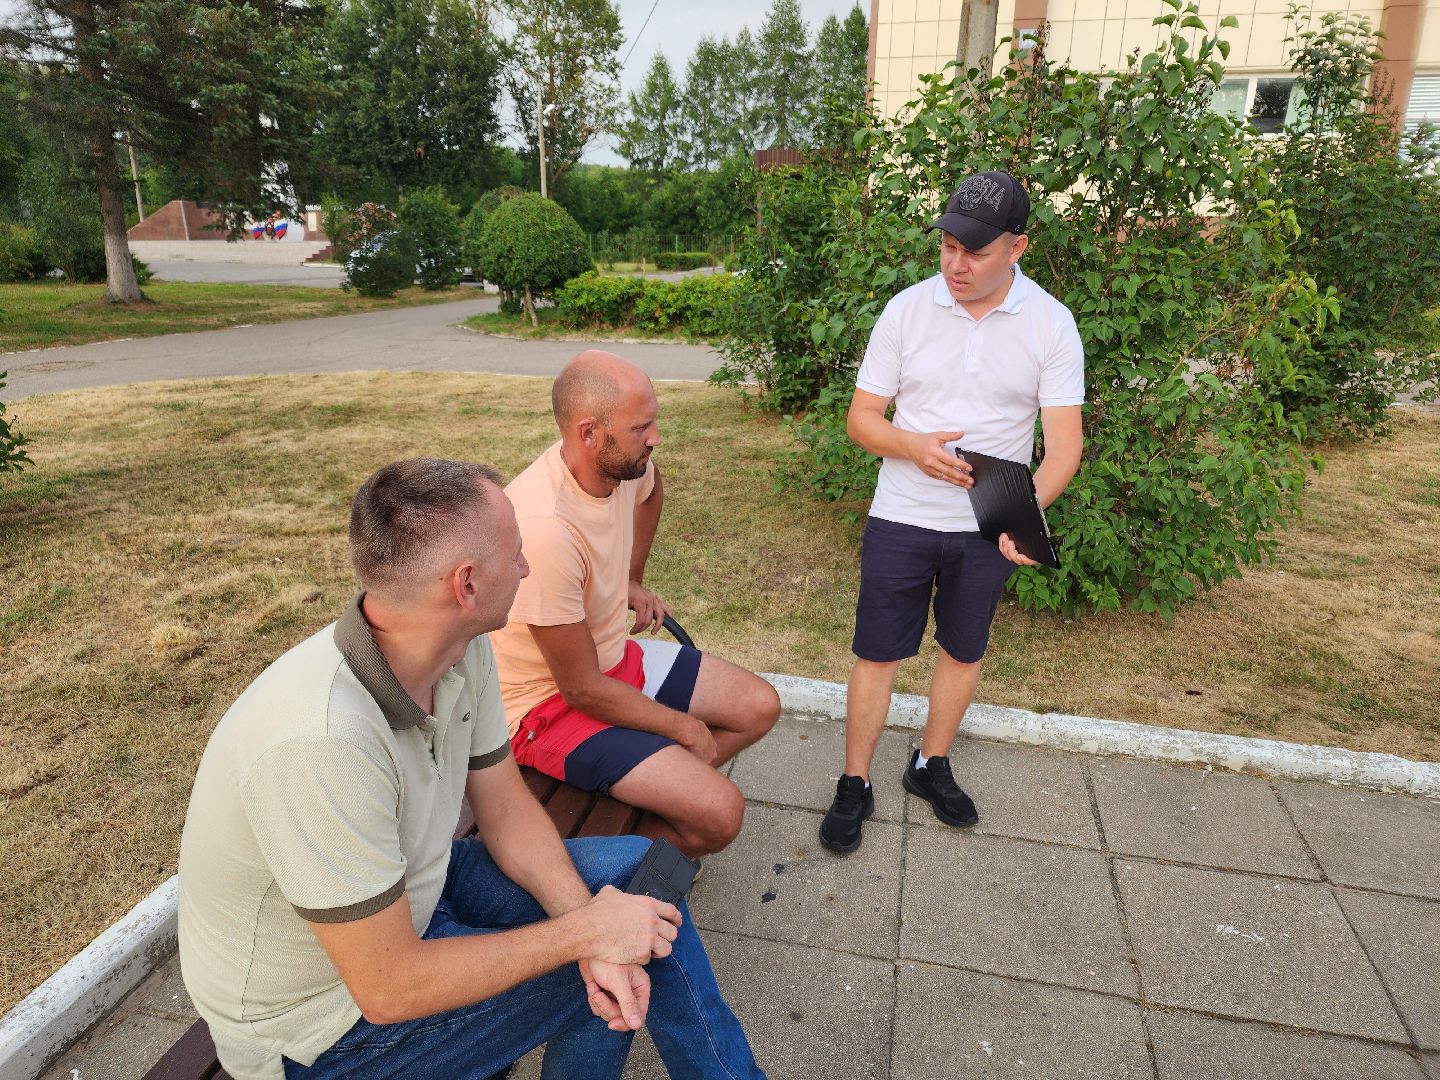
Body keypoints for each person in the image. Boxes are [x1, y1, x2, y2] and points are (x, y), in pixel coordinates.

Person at [176, 458, 766, 1080]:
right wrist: (585, 936)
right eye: (515, 554)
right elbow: (389, 989)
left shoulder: (459, 647)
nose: (526, 567)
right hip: (320, 1028)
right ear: (466, 585)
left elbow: (506, 809)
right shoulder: (321, 743)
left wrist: (590, 923)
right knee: (618, 952)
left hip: (413, 891)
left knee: (641, 891)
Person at [819, 170, 1085, 854]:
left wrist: (1024, 515)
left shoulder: (1051, 323)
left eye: (975, 252)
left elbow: (1064, 447)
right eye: (947, 247)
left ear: (1017, 248)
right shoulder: (906, 310)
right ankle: (854, 780)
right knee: (877, 653)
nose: (956, 265)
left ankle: (929, 764)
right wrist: (912, 446)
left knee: (964, 651)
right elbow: (861, 418)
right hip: (901, 513)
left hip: (987, 521)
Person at [491, 350, 780, 858]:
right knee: (720, 813)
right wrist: (685, 730)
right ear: (588, 433)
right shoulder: (544, 531)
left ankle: (639, 816)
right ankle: (608, 866)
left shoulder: (619, 467)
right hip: (545, 706)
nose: (656, 438)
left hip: (612, 661)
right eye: (641, 427)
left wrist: (631, 578)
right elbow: (581, 689)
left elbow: (651, 489)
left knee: (759, 707)